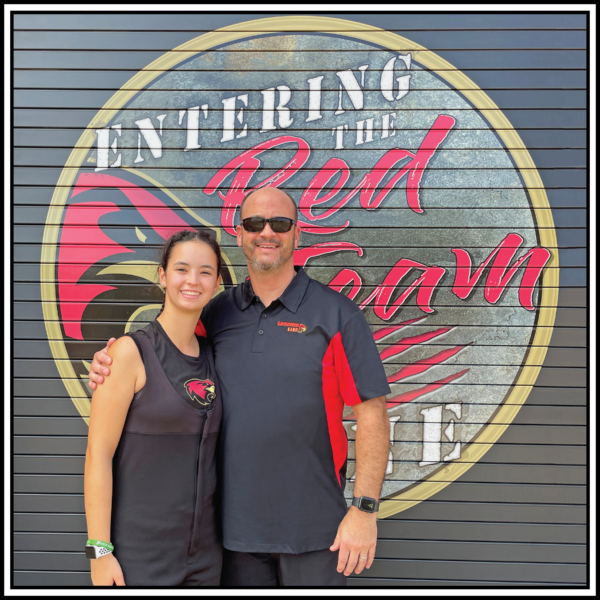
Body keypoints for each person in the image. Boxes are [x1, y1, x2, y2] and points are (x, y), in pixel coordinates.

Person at [89, 187, 391, 587]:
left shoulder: (337, 315)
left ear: (297, 234)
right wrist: (111, 361)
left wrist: (365, 509)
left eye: (280, 223)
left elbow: (372, 412)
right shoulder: (216, 313)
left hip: (317, 531)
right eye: (255, 223)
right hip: (231, 538)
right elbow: (166, 352)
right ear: (240, 234)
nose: (267, 232)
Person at [84, 230, 224, 586]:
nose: (193, 280)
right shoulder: (129, 354)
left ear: (217, 282)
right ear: (162, 276)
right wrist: (99, 551)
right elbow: (97, 455)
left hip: (206, 559)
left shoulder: (215, 355)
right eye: (182, 269)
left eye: (205, 271)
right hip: (139, 556)